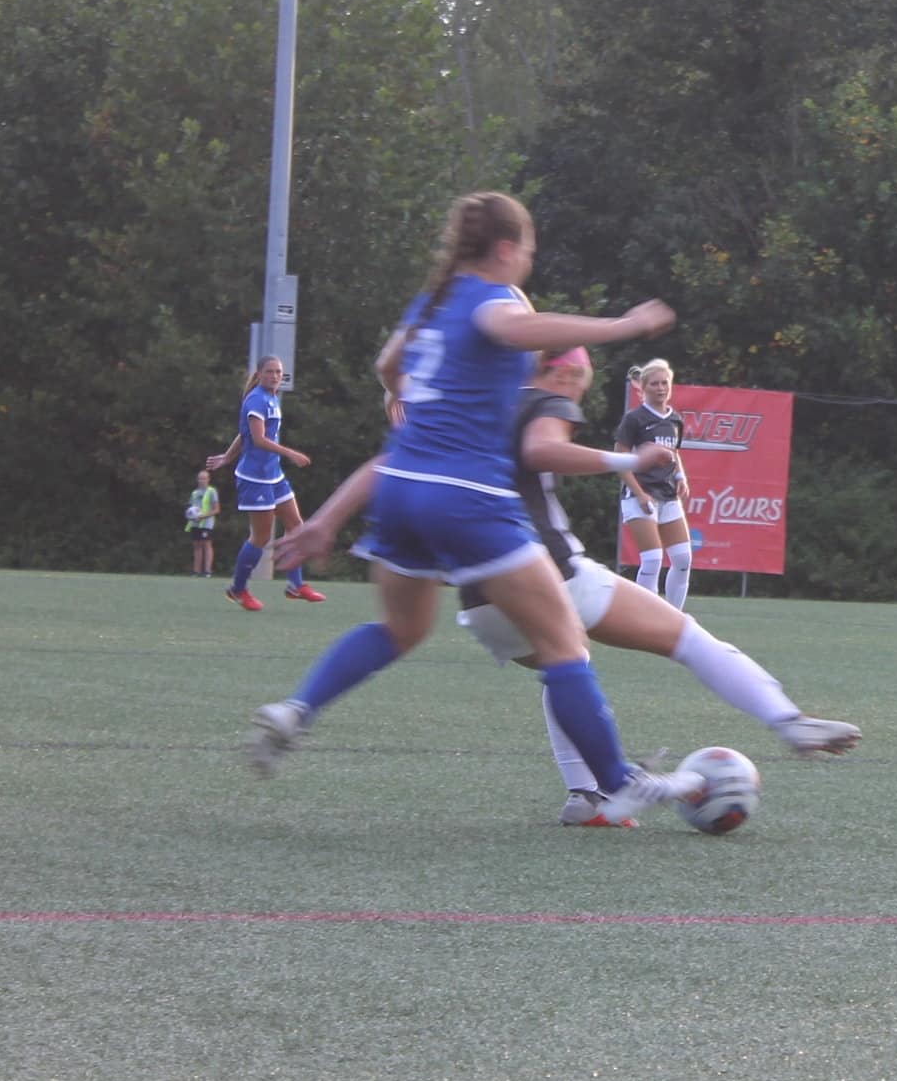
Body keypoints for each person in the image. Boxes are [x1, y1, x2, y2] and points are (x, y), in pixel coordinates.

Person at [240, 190, 705, 827]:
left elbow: (387, 364)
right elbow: (518, 329)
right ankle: (617, 782)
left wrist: (332, 512)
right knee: (563, 641)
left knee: (398, 629)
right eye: (529, 252)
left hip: (399, 484)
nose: (527, 265)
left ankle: (297, 709)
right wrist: (623, 326)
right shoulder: (495, 298)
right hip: (467, 496)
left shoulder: (429, 305)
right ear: (508, 249)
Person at [281, 344, 860, 827]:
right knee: (687, 638)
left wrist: (326, 521)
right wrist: (625, 460)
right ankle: (789, 721)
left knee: (566, 665)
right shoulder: (544, 397)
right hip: (546, 570)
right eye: (581, 376)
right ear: (562, 369)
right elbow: (539, 448)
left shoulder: (468, 411)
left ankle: (586, 796)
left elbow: (392, 432)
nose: (581, 389)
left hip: (481, 601)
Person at [208, 357, 323, 610]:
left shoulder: (272, 398)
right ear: (259, 374)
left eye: (278, 372)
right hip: (254, 478)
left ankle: (296, 585)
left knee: (296, 527)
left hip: (273, 475)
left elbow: (244, 434)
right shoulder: (256, 399)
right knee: (260, 536)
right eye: (269, 372)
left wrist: (227, 457)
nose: (274, 376)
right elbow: (257, 439)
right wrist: (290, 453)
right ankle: (238, 589)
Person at [614, 358, 693, 608]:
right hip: (640, 495)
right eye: (655, 384)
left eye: (665, 383)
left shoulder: (675, 420)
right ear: (644, 388)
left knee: (682, 559)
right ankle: (644, 617)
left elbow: (673, 453)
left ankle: (674, 617)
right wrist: (639, 494)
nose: (661, 388)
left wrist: (680, 476)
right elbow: (620, 459)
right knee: (652, 559)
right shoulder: (634, 419)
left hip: (668, 495)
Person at [185, 468, 221, 577]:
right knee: (197, 545)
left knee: (207, 544)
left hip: (207, 524)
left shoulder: (211, 491)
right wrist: (191, 516)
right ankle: (196, 571)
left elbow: (217, 509)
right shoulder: (194, 493)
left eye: (204, 478)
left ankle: (207, 571)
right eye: (200, 478)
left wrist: (203, 516)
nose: (202, 480)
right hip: (195, 524)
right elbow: (191, 508)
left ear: (208, 479)